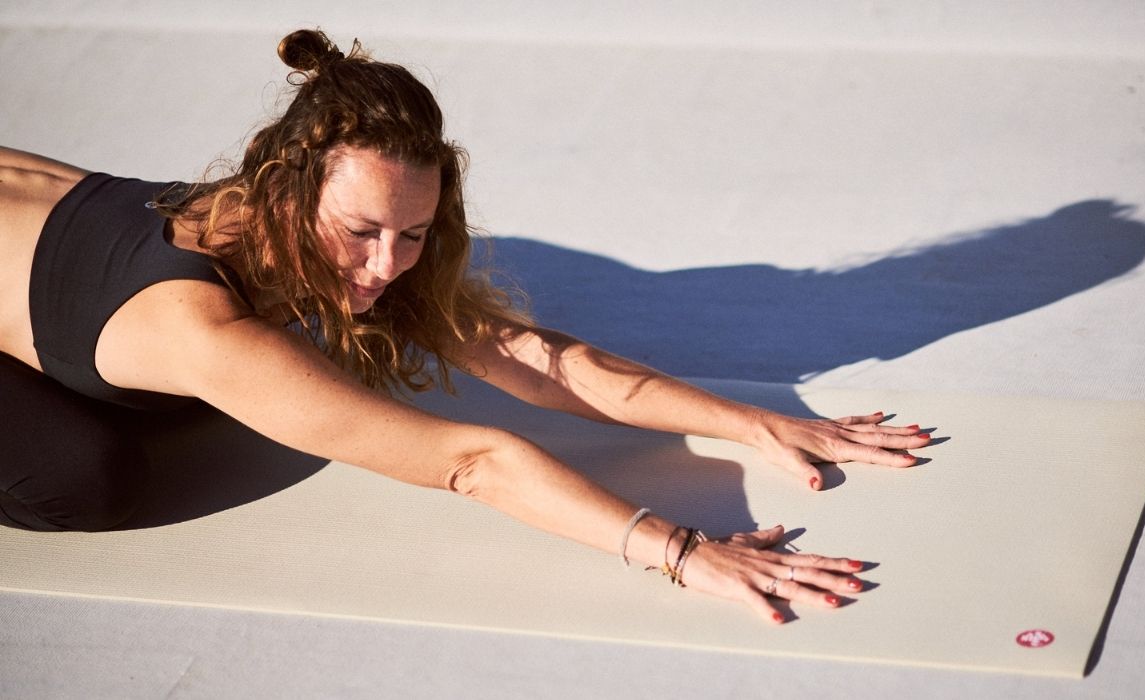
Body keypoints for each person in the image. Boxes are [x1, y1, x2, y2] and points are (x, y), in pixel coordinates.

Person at [0, 29, 931, 624]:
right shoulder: (197, 325)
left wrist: (754, 422)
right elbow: (471, 461)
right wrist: (683, 551)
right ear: (284, 185)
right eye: (361, 233)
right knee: (88, 475)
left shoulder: (301, 220)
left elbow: (528, 356)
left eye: (414, 233)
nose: (387, 267)